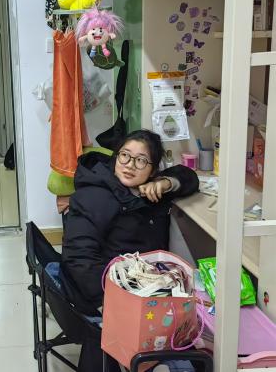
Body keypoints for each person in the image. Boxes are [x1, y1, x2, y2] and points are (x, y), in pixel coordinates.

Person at [59, 130, 199, 371]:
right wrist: (112, 305)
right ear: (116, 157)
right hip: (106, 291)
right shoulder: (94, 196)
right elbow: (79, 258)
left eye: (141, 160)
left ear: (153, 170)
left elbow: (188, 177)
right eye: (125, 155)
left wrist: (166, 183)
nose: (130, 165)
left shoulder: (148, 190)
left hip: (145, 286)